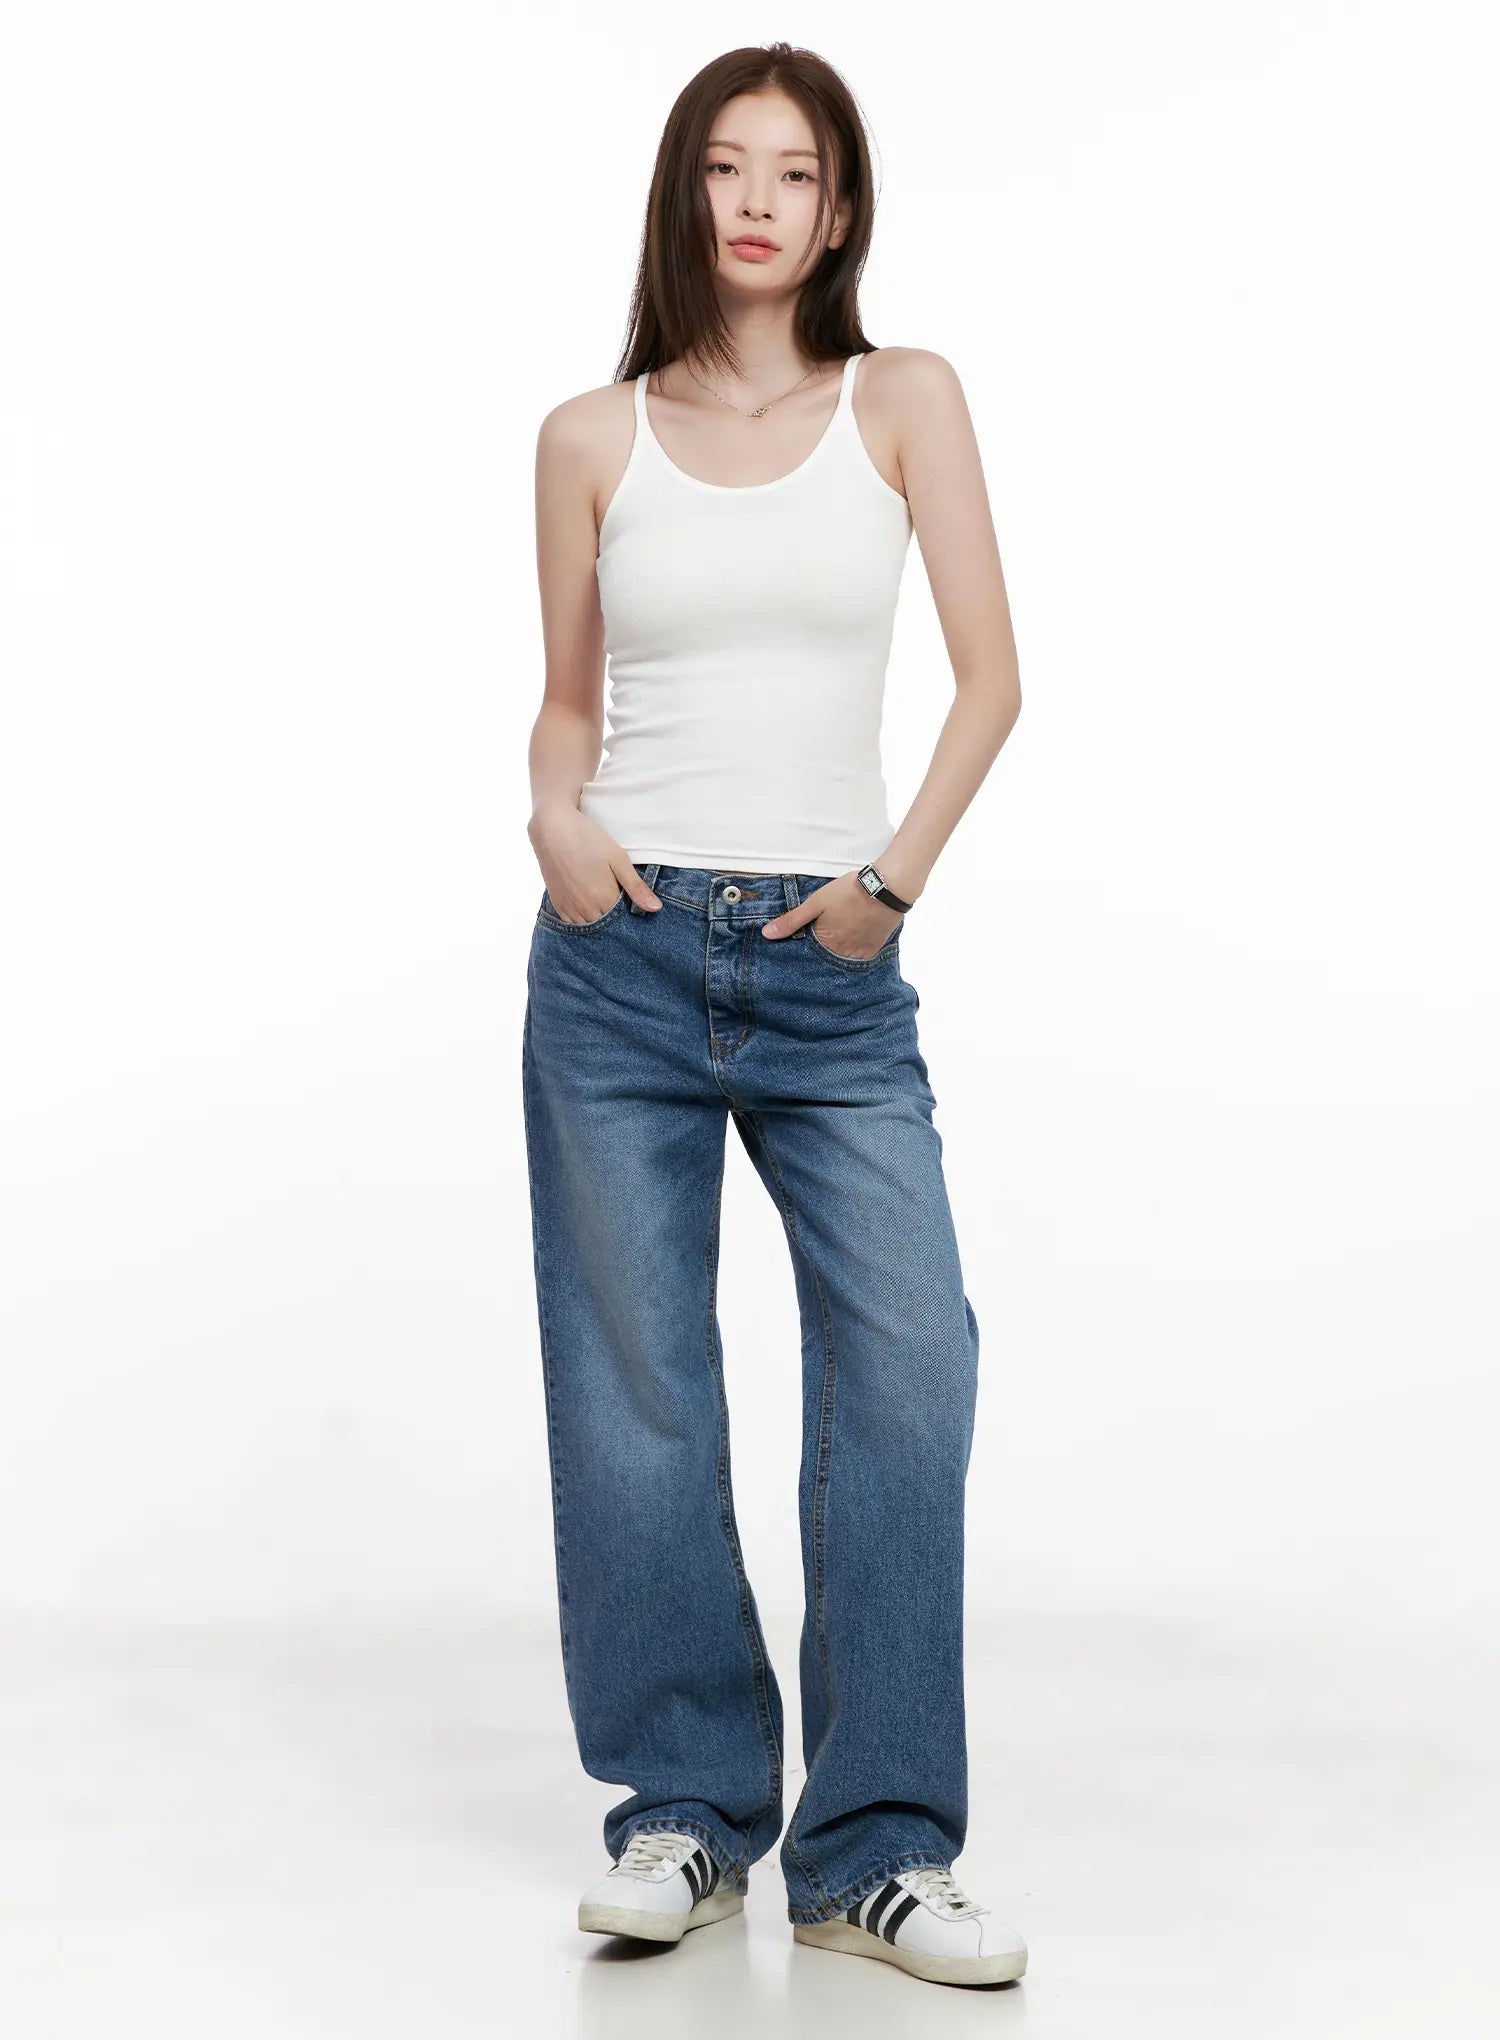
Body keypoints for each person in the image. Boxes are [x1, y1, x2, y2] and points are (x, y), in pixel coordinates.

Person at [522, 42, 1025, 1990]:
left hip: (833, 966)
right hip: (620, 952)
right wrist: (554, 816)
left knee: (910, 1367)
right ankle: (683, 1811)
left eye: (794, 172)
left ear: (839, 207)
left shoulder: (904, 401)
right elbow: (568, 702)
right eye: (727, 167)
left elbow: (992, 679)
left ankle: (875, 1852)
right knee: (637, 1393)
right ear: (687, 192)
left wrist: (892, 886)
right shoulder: (592, 435)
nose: (757, 200)